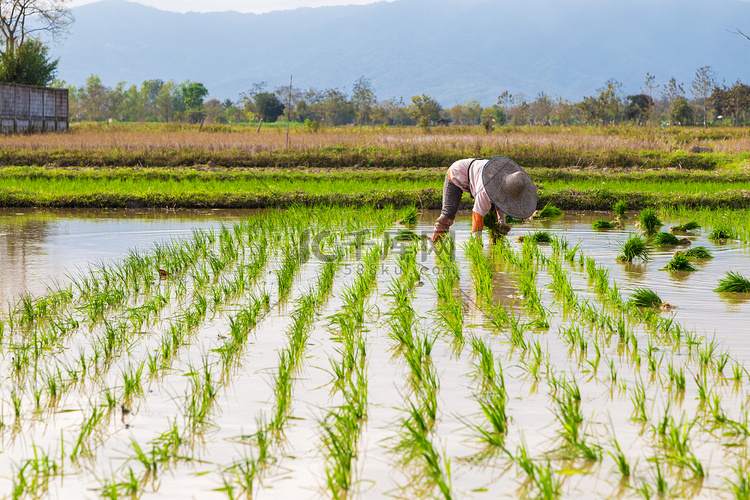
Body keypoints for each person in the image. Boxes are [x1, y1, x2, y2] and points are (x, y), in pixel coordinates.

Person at [431, 156, 538, 241]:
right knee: (448, 214)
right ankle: (435, 243)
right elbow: (477, 215)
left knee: (494, 220)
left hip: (478, 173)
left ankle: (495, 245)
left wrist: (501, 223)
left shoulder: (507, 182)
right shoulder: (485, 189)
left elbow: (501, 202)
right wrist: (477, 244)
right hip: (457, 172)